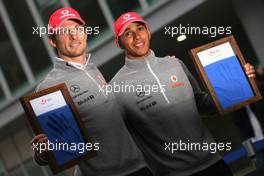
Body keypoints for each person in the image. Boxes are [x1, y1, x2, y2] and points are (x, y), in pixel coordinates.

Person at [110, 12, 256, 176]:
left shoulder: (174, 64)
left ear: (148, 31)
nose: (137, 36)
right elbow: (116, 142)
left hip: (214, 164)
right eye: (128, 33)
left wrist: (239, 82)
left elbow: (203, 105)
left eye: (140, 28)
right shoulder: (115, 88)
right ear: (119, 43)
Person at [30, 8, 153, 176]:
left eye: (78, 29)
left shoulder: (92, 68)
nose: (74, 36)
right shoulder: (47, 87)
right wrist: (42, 153)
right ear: (53, 40)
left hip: (139, 167)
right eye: (65, 32)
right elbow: (50, 148)